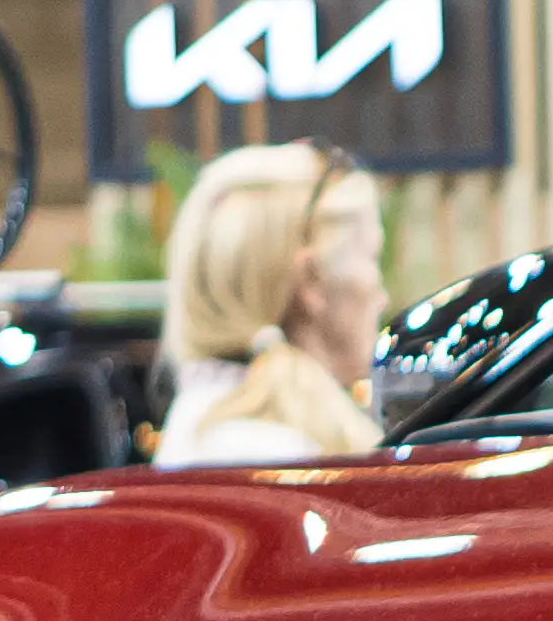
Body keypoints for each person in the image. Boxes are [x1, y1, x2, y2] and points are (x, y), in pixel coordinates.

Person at [156, 146, 388, 467]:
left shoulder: (199, 421)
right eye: (371, 257)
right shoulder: (270, 448)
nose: (382, 296)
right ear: (311, 280)